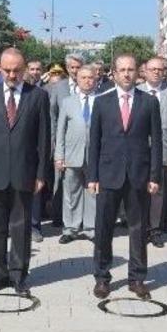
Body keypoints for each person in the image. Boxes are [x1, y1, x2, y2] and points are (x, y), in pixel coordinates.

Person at [0, 47, 50, 296]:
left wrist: (40, 174)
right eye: (7, 70)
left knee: (20, 228)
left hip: (24, 173)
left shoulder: (38, 96)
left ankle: (18, 275)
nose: (12, 74)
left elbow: (43, 139)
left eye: (17, 70)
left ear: (25, 68)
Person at [88, 54, 162, 300]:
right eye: (122, 70)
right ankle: (102, 277)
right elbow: (94, 143)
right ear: (114, 73)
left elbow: (157, 142)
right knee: (103, 228)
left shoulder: (149, 103)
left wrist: (154, 175)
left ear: (137, 72)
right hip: (108, 175)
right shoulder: (101, 102)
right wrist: (93, 176)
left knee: (138, 229)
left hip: (139, 175)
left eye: (131, 69)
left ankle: (137, 278)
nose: (127, 74)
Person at [136, 56, 167, 248]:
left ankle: (155, 230)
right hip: (139, 151)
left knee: (158, 192)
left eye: (160, 69)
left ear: (165, 72)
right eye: (153, 69)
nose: (157, 72)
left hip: (164, 150)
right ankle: (140, 228)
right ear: (144, 71)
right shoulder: (136, 92)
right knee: (139, 191)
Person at [54, 64, 98, 243]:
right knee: (71, 193)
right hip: (71, 156)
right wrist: (59, 155)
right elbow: (60, 131)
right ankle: (71, 228)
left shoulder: (102, 100)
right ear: (77, 80)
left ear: (96, 80)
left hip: (95, 156)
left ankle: (90, 229)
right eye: (83, 78)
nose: (87, 81)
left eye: (91, 78)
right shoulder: (68, 102)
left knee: (92, 193)